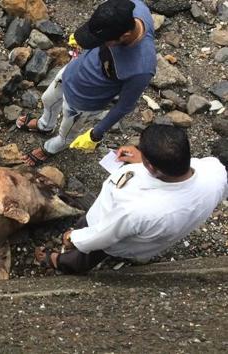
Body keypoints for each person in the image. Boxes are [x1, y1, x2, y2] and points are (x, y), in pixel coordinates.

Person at [34, 124, 227, 274]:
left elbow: (104, 235)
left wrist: (74, 239)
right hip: (152, 239)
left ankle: (56, 261)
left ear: (151, 167)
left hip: (111, 234)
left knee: (85, 256)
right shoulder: (215, 171)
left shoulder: (138, 210)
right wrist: (143, 159)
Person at [18, 0, 157, 166]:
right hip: (70, 72)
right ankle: (44, 125)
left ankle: (49, 149)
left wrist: (95, 134)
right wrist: (82, 38)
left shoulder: (141, 68)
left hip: (83, 100)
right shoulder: (132, 7)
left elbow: (124, 106)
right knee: (48, 99)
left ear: (124, 36)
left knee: (66, 133)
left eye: (101, 40)